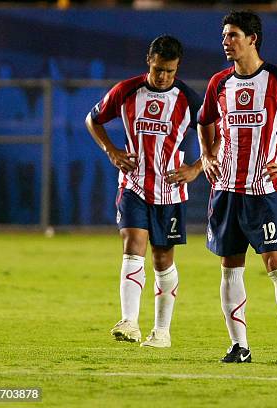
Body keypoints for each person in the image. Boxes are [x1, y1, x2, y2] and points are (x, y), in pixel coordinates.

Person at [197, 10, 277, 365]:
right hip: (226, 190)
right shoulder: (219, 83)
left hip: (264, 192)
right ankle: (240, 347)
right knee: (230, 267)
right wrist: (207, 154)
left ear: (253, 38)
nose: (226, 42)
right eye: (224, 36)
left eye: (233, 35)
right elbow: (204, 120)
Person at [85, 35, 203, 348]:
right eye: (158, 69)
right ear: (148, 61)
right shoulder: (126, 91)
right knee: (132, 242)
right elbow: (92, 119)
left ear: (177, 68)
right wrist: (111, 150)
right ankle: (130, 321)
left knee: (162, 259)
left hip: (170, 190)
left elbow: (218, 136)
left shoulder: (189, 99)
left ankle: (162, 332)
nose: (163, 76)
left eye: (170, 71)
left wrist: (196, 167)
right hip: (134, 183)